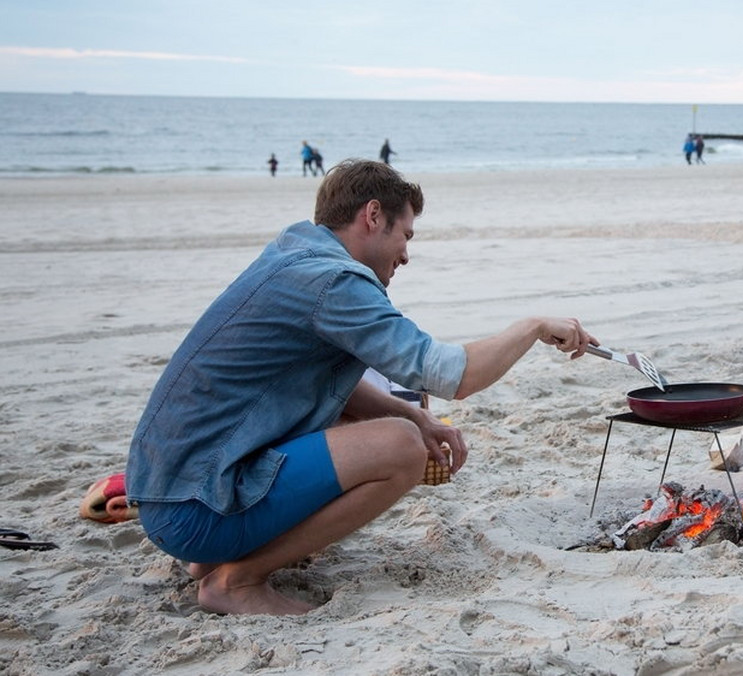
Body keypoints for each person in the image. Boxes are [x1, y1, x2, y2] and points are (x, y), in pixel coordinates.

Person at [124, 159, 598, 616]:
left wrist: (417, 415)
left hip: (172, 495)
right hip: (193, 509)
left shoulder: (295, 254)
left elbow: (325, 384)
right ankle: (236, 581)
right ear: (373, 216)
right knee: (401, 449)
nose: (407, 254)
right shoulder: (333, 282)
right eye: (405, 234)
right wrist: (533, 327)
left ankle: (212, 558)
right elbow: (453, 375)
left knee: (394, 422)